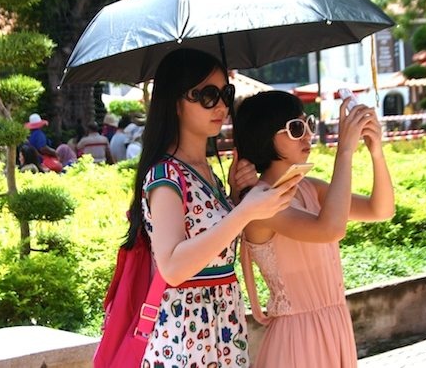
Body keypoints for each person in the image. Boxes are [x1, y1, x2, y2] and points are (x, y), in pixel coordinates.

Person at [125, 49, 299, 366]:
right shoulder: (166, 176)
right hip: (186, 335)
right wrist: (243, 212)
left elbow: (212, 238)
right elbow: (173, 267)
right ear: (176, 103)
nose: (220, 105)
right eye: (207, 95)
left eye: (225, 93)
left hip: (221, 326)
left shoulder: (205, 171)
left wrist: (233, 196)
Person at [233, 91, 395, 368]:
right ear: (264, 137)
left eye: (307, 124)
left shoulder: (309, 187)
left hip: (334, 327)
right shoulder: (259, 202)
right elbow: (330, 229)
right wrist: (344, 151)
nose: (307, 134)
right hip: (297, 340)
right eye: (296, 128)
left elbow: (380, 211)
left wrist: (376, 151)